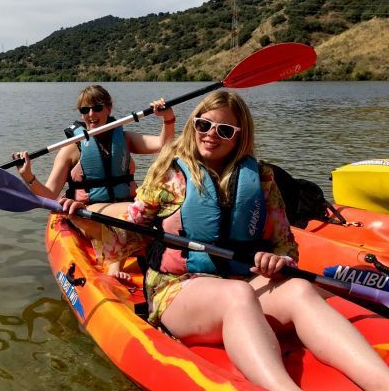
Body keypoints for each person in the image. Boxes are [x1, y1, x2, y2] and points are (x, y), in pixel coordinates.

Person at [59, 90, 389, 391]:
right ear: (194, 125)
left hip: (239, 278)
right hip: (179, 289)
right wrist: (82, 217)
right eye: (204, 125)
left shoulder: (260, 177)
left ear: (239, 137)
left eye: (225, 130)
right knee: (237, 294)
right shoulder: (169, 175)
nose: (211, 135)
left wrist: (280, 260)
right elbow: (128, 237)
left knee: (299, 289)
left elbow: (285, 243)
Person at [13, 85, 175, 279]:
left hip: (123, 206)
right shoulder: (70, 149)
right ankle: (115, 267)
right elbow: (49, 195)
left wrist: (168, 118)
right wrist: (28, 176)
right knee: (131, 213)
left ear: (109, 108)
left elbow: (162, 144)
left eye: (97, 108)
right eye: (85, 110)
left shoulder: (124, 139)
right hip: (88, 211)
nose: (91, 114)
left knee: (162, 211)